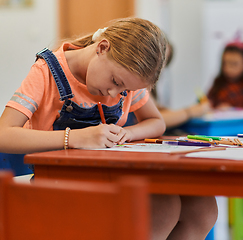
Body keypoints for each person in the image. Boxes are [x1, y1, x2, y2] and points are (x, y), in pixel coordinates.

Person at [0, 17, 217, 240]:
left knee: (202, 207)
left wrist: (129, 133)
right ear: (102, 48)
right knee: (163, 206)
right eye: (115, 81)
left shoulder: (125, 81)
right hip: (59, 183)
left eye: (124, 89)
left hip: (110, 176)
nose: (115, 94)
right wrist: (74, 137)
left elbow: (156, 121)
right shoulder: (47, 71)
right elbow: (4, 134)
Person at [151, 41, 211, 130]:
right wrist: (191, 111)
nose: (160, 66)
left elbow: (155, 114)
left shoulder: (149, 88)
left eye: (164, 61)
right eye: (156, 58)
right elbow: (154, 121)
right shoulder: (140, 88)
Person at [207, 40, 243, 110]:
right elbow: (208, 104)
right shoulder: (218, 83)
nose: (229, 68)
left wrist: (232, 109)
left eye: (234, 64)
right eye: (225, 63)